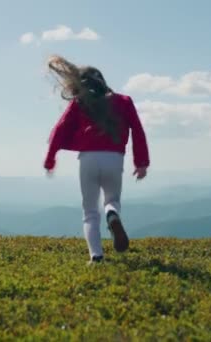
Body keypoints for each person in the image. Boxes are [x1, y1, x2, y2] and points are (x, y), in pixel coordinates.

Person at [44, 55, 150, 263]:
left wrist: (50, 158)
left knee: (90, 211)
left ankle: (96, 257)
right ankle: (112, 214)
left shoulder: (79, 103)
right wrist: (141, 162)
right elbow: (138, 131)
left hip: (88, 160)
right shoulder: (124, 101)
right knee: (112, 200)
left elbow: (60, 129)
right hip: (114, 159)